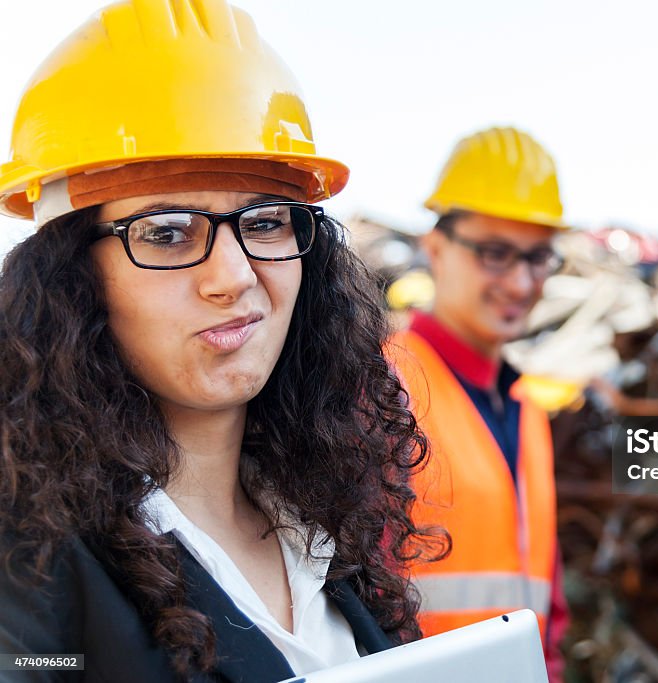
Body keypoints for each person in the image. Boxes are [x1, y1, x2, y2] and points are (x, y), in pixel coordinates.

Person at [0, 1, 445, 681]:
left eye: (266, 221)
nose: (235, 277)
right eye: (168, 232)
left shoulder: (324, 527)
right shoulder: (25, 566)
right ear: (70, 277)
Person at [386, 126, 569, 680]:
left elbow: (547, 600)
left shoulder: (528, 407)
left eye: (538, 258)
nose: (520, 282)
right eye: (494, 253)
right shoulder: (385, 383)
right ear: (435, 248)